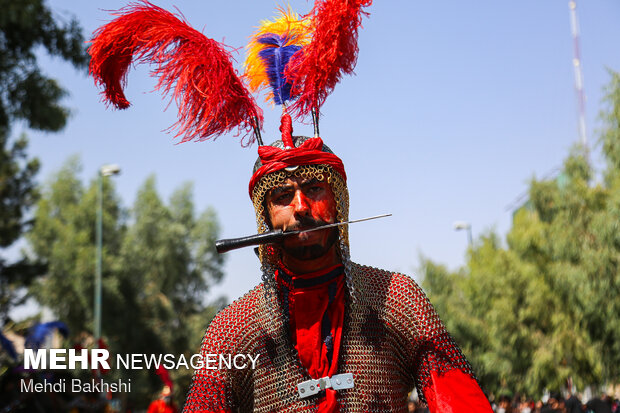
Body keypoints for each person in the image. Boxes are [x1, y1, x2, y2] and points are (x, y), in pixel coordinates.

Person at [183, 136, 493, 412]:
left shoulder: (397, 298)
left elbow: (460, 400)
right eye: (282, 196)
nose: (301, 207)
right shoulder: (231, 330)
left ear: (339, 203)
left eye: (314, 189)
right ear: (265, 215)